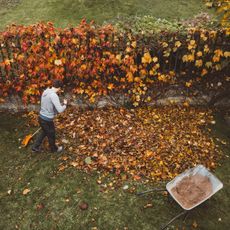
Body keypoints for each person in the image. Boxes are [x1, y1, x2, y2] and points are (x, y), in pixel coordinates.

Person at [32, 80, 67, 153]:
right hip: (47, 119)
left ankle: (35, 147)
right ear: (59, 88)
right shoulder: (54, 95)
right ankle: (54, 149)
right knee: (51, 134)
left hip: (41, 117)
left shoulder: (46, 91)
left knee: (44, 132)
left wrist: (59, 105)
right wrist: (65, 104)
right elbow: (60, 110)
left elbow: (49, 104)